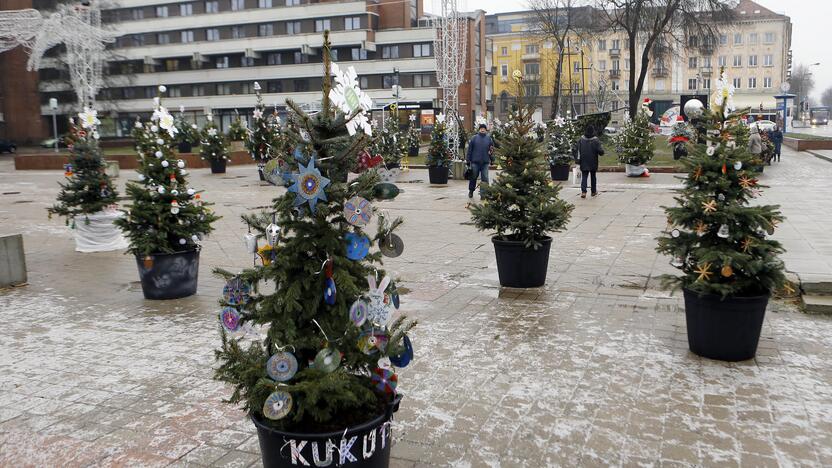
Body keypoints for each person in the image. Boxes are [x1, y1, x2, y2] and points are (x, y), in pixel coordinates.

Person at [466, 123, 494, 198]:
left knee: (485, 178)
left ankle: (483, 194)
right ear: (479, 129)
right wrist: (468, 160)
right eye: (481, 128)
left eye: (484, 128)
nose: (482, 130)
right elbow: (469, 150)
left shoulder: (489, 139)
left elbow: (491, 150)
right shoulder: (474, 138)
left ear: (486, 130)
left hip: (485, 162)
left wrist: (492, 159)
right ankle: (471, 191)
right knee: (473, 177)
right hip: (475, 162)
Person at [577, 126, 604, 198]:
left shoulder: (581, 139)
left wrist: (578, 160)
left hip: (583, 160)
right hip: (593, 161)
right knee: (593, 176)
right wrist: (601, 150)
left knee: (584, 176)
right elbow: (601, 152)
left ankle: (583, 192)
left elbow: (577, 150)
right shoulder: (596, 140)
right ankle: (593, 191)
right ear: (593, 131)